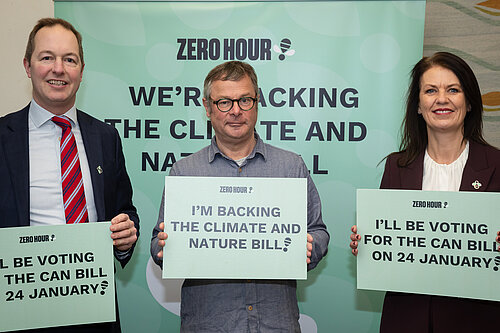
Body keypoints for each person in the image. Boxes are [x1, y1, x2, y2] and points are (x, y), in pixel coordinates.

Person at [151, 60, 329, 332]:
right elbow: (157, 244)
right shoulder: (184, 171)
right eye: (224, 102)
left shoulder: (292, 167)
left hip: (276, 322)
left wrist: (310, 246)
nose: (235, 111)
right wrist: (165, 248)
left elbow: (318, 231)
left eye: (245, 100)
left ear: (257, 104)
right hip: (209, 323)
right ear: (208, 108)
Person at [0, 18, 139, 332]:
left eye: (70, 59)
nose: (58, 69)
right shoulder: (2, 137)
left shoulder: (106, 137)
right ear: (28, 65)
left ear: (81, 69)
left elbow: (124, 210)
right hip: (18, 310)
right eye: (47, 57)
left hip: (93, 308)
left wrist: (125, 236)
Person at [350, 52, 500, 332]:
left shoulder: (497, 165)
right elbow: (385, 251)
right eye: (431, 90)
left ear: (469, 103)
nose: (441, 99)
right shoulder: (397, 166)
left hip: (477, 320)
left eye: (453, 90)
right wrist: (369, 245)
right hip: (406, 318)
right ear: (418, 105)